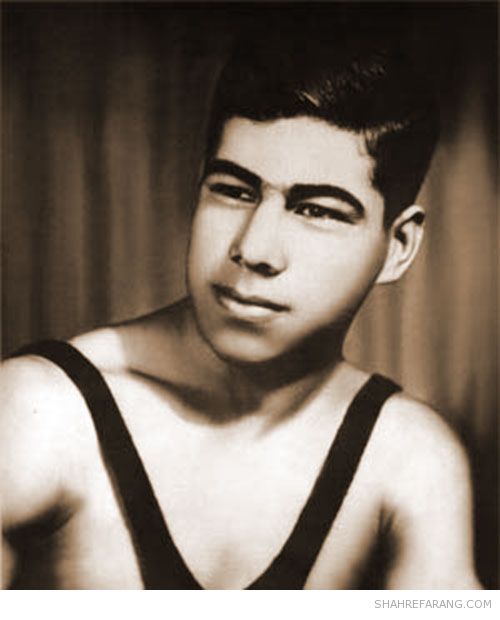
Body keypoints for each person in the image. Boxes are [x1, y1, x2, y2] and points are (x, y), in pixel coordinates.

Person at [0, 27, 481, 589]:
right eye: (233, 190)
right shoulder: (42, 412)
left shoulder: (409, 454)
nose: (253, 250)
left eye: (317, 211)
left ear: (398, 247)